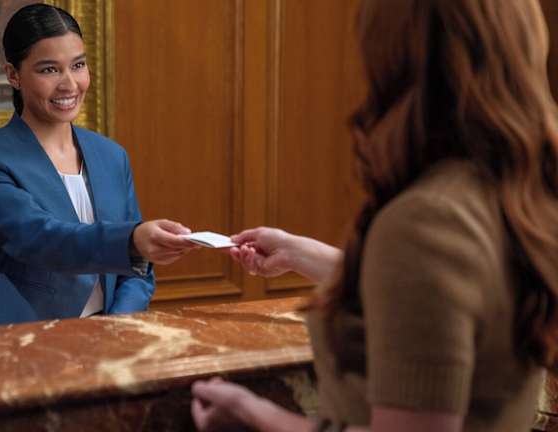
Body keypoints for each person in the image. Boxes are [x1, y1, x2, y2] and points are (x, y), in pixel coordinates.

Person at [190, 0, 558, 431]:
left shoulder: (426, 222)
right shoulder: (520, 189)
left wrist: (257, 415)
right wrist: (300, 253)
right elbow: (443, 293)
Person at [0, 4, 195, 326]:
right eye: (49, 70)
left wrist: (114, 328)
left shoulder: (112, 156)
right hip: (24, 339)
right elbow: (41, 240)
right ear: (13, 75)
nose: (69, 84)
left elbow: (137, 271)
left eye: (78, 65)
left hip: (109, 337)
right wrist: (131, 240)